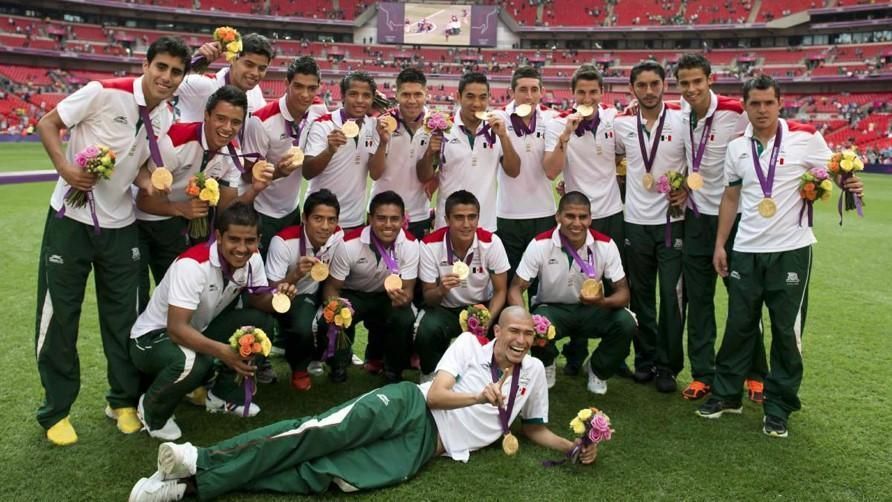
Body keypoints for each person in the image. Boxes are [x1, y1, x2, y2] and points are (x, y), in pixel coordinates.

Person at [128, 307, 597, 501]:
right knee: (314, 433)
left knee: (324, 474)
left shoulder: (533, 373)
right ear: (497, 332)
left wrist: (571, 445)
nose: (520, 340)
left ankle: (188, 488)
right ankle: (200, 458)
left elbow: (533, 426)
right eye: (512, 332)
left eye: (528, 335)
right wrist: (478, 394)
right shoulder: (468, 345)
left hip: (425, 449)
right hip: (410, 407)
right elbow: (435, 392)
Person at [34, 36, 190, 446]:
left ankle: (122, 401)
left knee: (126, 319)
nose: (167, 77)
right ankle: (56, 410)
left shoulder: (164, 118)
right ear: (146, 65)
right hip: (71, 219)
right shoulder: (103, 92)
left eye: (176, 72)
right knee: (61, 317)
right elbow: (47, 123)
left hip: (121, 226)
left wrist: (151, 185)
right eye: (162, 67)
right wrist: (66, 169)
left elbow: (136, 170)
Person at [697, 75, 864, 438]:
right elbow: (730, 197)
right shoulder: (737, 147)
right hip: (746, 249)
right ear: (745, 106)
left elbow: (837, 172)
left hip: (790, 250)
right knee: (740, 325)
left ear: (779, 103)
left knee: (786, 331)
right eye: (754, 104)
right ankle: (727, 395)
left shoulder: (804, 136)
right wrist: (720, 244)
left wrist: (848, 182)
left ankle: (779, 405)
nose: (761, 110)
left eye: (768, 103)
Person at [129, 203, 296, 440]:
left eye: (249, 240)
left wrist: (281, 296)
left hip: (198, 329)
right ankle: (152, 409)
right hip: (153, 338)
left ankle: (224, 396)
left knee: (260, 325)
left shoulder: (254, 258)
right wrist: (223, 352)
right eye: (233, 239)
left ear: (259, 239)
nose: (241, 248)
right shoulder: (193, 265)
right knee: (194, 363)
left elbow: (259, 301)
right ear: (218, 236)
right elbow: (176, 329)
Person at [674, 54, 768, 402]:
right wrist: (683, 184)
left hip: (737, 219)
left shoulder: (735, 111)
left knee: (744, 300)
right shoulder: (680, 114)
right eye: (684, 82)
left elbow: (767, 138)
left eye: (697, 81)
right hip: (697, 218)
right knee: (699, 302)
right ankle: (703, 374)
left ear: (710, 79)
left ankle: (755, 373)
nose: (691, 88)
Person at [135, 85, 275, 312]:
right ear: (206, 115)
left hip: (174, 227)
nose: (227, 128)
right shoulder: (175, 142)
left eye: (236, 122)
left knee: (174, 298)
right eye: (221, 118)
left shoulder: (232, 153)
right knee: (136, 297)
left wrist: (255, 190)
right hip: (140, 223)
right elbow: (143, 201)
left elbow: (225, 212)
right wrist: (182, 209)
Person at [508, 192, 635, 391]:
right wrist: (524, 319)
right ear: (558, 216)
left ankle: (597, 369)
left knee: (626, 322)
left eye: (583, 217)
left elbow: (623, 293)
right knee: (538, 320)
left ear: (590, 218)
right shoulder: (540, 244)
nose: (576, 223)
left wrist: (602, 302)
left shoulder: (606, 245)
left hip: (592, 309)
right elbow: (516, 287)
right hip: (553, 310)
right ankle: (546, 363)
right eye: (570, 216)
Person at [543, 64, 624, 376]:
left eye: (593, 92)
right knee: (575, 285)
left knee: (611, 285)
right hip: (577, 220)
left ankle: (610, 359)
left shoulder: (614, 121)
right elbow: (551, 171)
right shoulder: (558, 125)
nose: (588, 97)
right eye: (581, 92)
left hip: (611, 214)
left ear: (601, 93)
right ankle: (574, 355)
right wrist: (566, 135)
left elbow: (622, 154)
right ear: (573, 95)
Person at [613, 60, 687, 393]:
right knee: (642, 297)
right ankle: (645, 361)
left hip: (673, 223)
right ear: (632, 89)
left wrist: (686, 186)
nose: (648, 91)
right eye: (641, 85)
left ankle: (667, 365)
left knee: (671, 298)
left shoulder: (683, 122)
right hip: (635, 223)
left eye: (654, 84)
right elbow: (608, 158)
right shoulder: (622, 125)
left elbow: (696, 164)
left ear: (664, 86)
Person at [320, 191, 419, 383]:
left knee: (404, 317)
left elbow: (408, 289)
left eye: (394, 219)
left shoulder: (410, 244)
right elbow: (332, 286)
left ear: (402, 220)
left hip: (386, 296)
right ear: (370, 219)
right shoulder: (349, 244)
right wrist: (335, 306)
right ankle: (338, 364)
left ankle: (393, 368)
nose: (388, 225)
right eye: (381, 218)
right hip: (353, 295)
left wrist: (404, 298)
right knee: (334, 315)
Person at [415, 190, 511, 381]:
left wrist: (487, 319)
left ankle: (498, 372)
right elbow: (428, 296)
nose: (466, 224)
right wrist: (441, 289)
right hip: (446, 308)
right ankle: (429, 373)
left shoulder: (491, 242)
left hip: (483, 306)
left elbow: (501, 291)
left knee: (510, 322)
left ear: (478, 218)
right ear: (447, 219)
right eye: (459, 218)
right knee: (427, 329)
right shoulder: (429, 245)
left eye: (472, 217)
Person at [244, 56, 328, 256]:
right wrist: (277, 173)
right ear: (286, 84)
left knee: (286, 269)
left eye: (311, 88)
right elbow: (247, 175)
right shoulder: (261, 121)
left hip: (292, 209)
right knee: (261, 273)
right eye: (298, 86)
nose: (305, 95)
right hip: (263, 211)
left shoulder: (319, 109)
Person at [416, 72, 520, 232]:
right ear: (458, 96)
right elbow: (424, 176)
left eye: (482, 97)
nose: (476, 103)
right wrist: (430, 152)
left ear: (489, 98)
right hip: (447, 225)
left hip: (485, 225)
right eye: (470, 96)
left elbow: (514, 171)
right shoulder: (442, 129)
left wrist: (504, 137)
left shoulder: (497, 129)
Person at [265, 189, 344, 391]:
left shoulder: (337, 236)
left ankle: (334, 360)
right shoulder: (282, 242)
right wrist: (295, 275)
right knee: (303, 326)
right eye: (318, 218)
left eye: (331, 220)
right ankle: (299, 368)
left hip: (320, 289)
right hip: (291, 296)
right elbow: (271, 290)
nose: (325, 226)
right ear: (304, 218)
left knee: (343, 311)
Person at [493, 66, 558, 300]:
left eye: (534, 90)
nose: (528, 96)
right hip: (508, 215)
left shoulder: (552, 119)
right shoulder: (498, 119)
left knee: (541, 288)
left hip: (544, 214)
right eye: (522, 90)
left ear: (542, 92)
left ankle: (542, 335)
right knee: (510, 284)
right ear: (512, 92)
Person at [303, 71, 387, 231]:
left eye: (366, 95)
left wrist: (383, 144)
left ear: (372, 99)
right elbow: (307, 172)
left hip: (355, 220)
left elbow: (375, 174)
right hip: (321, 218)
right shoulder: (323, 124)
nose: (360, 100)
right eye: (353, 94)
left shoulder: (374, 126)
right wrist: (329, 150)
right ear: (342, 96)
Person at [370, 67, 433, 239]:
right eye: (405, 95)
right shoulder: (383, 123)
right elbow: (374, 174)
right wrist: (383, 143)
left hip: (419, 213)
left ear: (426, 93)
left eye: (417, 94)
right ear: (396, 95)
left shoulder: (436, 125)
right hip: (383, 214)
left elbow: (441, 168)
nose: (412, 100)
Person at [175, 33, 273, 122]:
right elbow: (164, 84)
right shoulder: (203, 85)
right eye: (249, 65)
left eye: (262, 68)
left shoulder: (255, 91)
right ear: (233, 59)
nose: (255, 73)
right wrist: (193, 63)